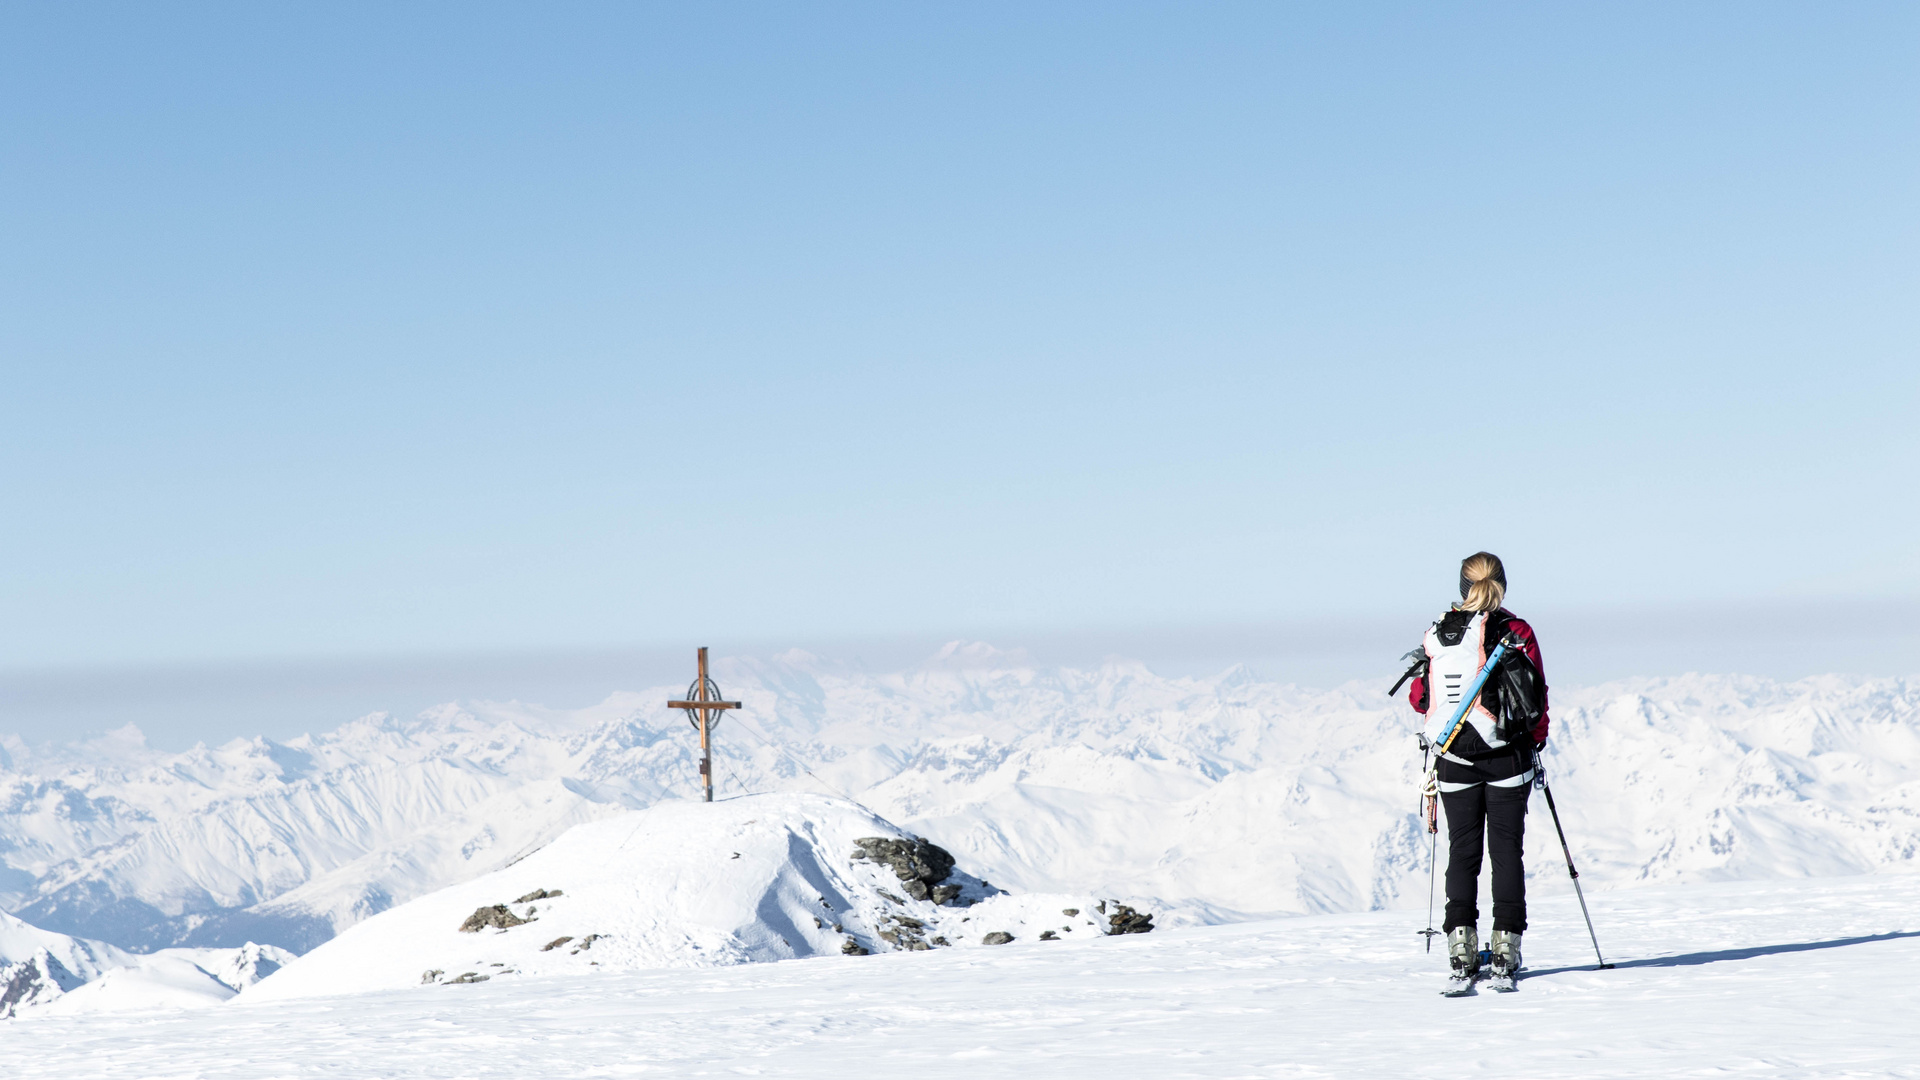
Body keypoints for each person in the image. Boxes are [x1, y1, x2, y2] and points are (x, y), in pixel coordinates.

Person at [1407, 552, 1550, 982]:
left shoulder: (1441, 632)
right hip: (1508, 755)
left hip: (1453, 758)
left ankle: (1460, 948)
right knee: (1506, 852)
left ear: (1461, 586)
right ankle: (1506, 947)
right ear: (1503, 583)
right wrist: (1536, 739)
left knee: (1462, 853)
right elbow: (1535, 696)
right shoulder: (1517, 630)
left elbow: (1419, 697)